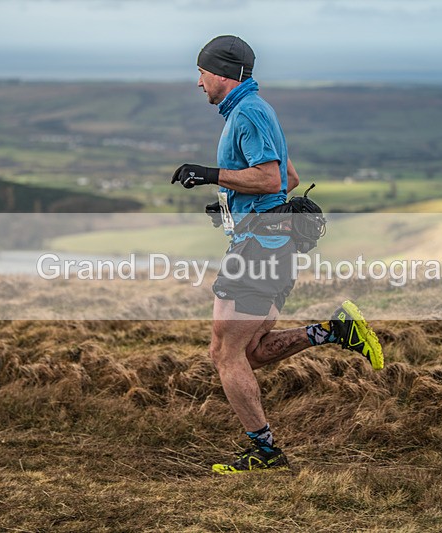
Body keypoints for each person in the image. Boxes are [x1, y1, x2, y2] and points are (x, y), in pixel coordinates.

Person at [171, 35, 383, 474]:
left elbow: (270, 179)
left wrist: (210, 175)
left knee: (224, 353)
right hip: (269, 242)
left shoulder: (247, 112)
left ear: (223, 74)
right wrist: (232, 200)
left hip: (260, 247)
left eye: (201, 72)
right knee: (249, 351)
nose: (198, 83)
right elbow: (290, 176)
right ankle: (334, 332)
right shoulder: (254, 109)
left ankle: (264, 453)